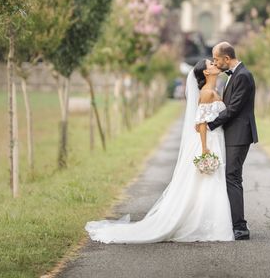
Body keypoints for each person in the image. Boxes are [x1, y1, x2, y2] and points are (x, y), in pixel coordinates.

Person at [84, 59, 234, 243]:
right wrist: (204, 149)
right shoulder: (206, 93)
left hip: (216, 139)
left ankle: (209, 221)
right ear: (205, 73)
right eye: (211, 64)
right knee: (207, 181)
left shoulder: (215, 91)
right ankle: (206, 225)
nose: (214, 65)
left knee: (210, 181)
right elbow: (200, 124)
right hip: (208, 143)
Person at [197, 41, 259, 241]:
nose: (215, 63)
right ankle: (233, 223)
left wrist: (210, 125)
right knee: (230, 177)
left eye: (216, 59)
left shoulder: (243, 76)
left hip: (239, 134)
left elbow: (233, 109)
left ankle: (240, 228)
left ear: (226, 58)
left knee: (232, 177)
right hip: (231, 134)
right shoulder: (235, 76)